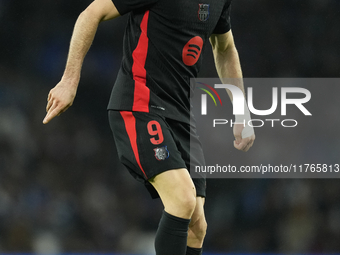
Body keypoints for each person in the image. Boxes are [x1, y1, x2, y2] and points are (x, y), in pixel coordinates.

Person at [43, 0, 255, 254]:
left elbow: (225, 47)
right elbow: (92, 12)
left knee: (197, 225)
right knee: (183, 197)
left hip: (181, 115)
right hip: (139, 105)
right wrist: (69, 80)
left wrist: (242, 110)